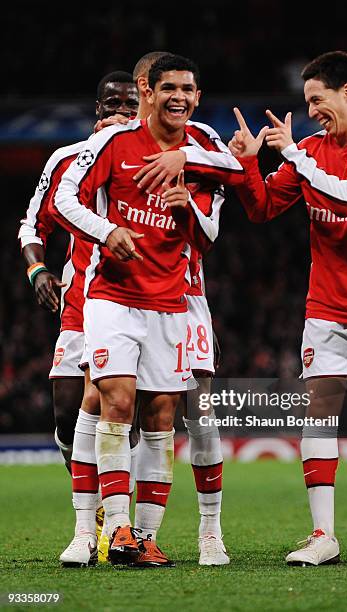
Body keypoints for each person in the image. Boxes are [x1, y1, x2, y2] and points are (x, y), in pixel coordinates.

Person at [228, 51, 347, 566]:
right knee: (319, 413)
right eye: (308, 102)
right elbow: (263, 207)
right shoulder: (309, 149)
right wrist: (248, 163)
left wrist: (295, 156)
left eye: (318, 100)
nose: (312, 111)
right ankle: (323, 535)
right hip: (326, 304)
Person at [49, 54, 224, 568]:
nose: (179, 97)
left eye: (188, 90)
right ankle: (100, 530)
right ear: (149, 90)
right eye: (169, 87)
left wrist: (185, 205)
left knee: (163, 416)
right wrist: (108, 231)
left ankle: (140, 538)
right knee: (112, 403)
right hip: (111, 297)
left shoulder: (204, 151)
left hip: (171, 303)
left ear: (197, 97)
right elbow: (63, 198)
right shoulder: (114, 143)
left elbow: (210, 233)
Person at [19, 72, 140, 567]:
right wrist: (38, 268)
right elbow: (33, 223)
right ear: (97, 107)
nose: (121, 110)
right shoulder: (68, 159)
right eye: (113, 103)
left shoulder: (155, 156)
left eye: (130, 103)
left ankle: (114, 525)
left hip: (137, 303)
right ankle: (93, 513)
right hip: (81, 303)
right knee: (67, 417)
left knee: (122, 418)